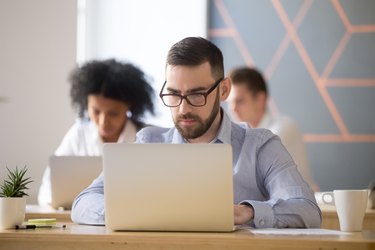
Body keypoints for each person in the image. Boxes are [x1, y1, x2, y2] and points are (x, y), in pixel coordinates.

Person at [71, 37, 321, 228]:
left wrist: (245, 212)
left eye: (196, 94)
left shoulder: (260, 146)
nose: (183, 108)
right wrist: (129, 212)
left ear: (223, 91)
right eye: (174, 94)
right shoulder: (147, 143)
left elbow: (308, 210)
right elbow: (84, 202)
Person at [38, 59, 155, 205]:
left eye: (113, 113)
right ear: (85, 104)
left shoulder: (149, 136)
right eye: (96, 111)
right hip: (82, 220)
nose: (103, 121)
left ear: (129, 107)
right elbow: (46, 191)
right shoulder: (79, 134)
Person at [227, 67, 319, 191]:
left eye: (240, 101)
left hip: (303, 206)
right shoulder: (238, 134)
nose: (233, 109)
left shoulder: (284, 127)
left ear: (260, 99)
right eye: (230, 102)